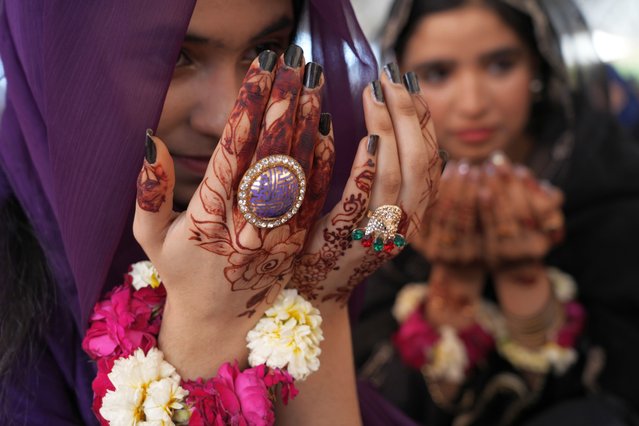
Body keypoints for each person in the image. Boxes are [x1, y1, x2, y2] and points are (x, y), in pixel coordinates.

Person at [0, 0, 442, 424]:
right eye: (172, 57)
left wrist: (318, 298)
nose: (226, 116)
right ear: (57, 60)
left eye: (262, 52)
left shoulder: (306, 230)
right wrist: (202, 331)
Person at [354, 0, 639, 425]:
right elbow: (368, 394)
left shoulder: (607, 181)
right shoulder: (374, 198)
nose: (473, 103)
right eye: (437, 73)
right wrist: (452, 289)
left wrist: (523, 278)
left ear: (539, 68)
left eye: (501, 65)